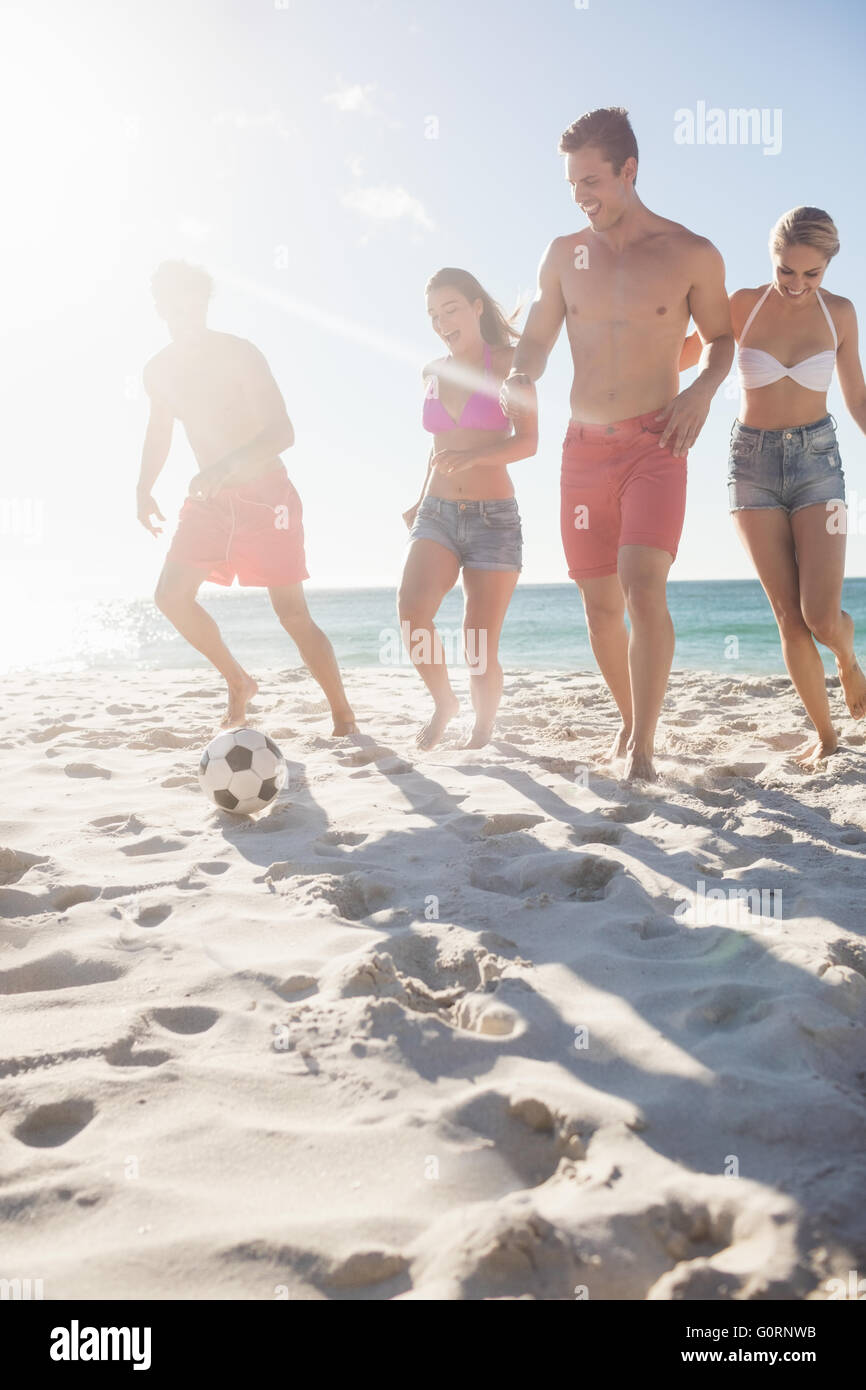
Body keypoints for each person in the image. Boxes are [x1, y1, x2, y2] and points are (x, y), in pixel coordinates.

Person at [499, 107, 734, 782]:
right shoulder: (563, 253)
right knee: (599, 604)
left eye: (593, 180)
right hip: (582, 450)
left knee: (640, 586)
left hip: (655, 444)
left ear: (630, 171)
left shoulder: (691, 253)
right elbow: (539, 338)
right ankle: (629, 718)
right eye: (574, 185)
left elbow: (721, 340)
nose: (583, 196)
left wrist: (701, 392)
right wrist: (521, 373)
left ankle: (644, 746)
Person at [137, 260, 357, 734]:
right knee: (171, 595)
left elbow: (283, 431)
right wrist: (143, 488)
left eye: (189, 301)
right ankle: (238, 679)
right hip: (210, 500)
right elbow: (159, 434)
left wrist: (223, 467)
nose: (180, 312)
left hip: (266, 496)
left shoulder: (239, 354)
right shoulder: (158, 370)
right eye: (169, 303)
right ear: (159, 307)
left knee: (292, 613)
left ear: (204, 302)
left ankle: (341, 711)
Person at [682, 207, 866, 765]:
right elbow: (686, 354)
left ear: (828, 267)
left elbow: (856, 396)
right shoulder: (743, 303)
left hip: (819, 465)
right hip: (752, 465)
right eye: (787, 271)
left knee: (819, 614)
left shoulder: (840, 315)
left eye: (811, 274)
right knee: (787, 615)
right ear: (773, 258)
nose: (796, 285)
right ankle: (826, 735)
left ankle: (848, 658)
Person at [398, 268, 537, 750]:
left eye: (450, 309)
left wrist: (474, 458)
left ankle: (482, 727)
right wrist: (420, 498)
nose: (441, 321)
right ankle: (444, 702)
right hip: (436, 510)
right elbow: (439, 444)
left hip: (492, 518)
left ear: (477, 306)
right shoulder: (432, 372)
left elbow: (529, 443)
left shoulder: (511, 363)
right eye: (434, 314)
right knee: (412, 613)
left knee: (479, 645)